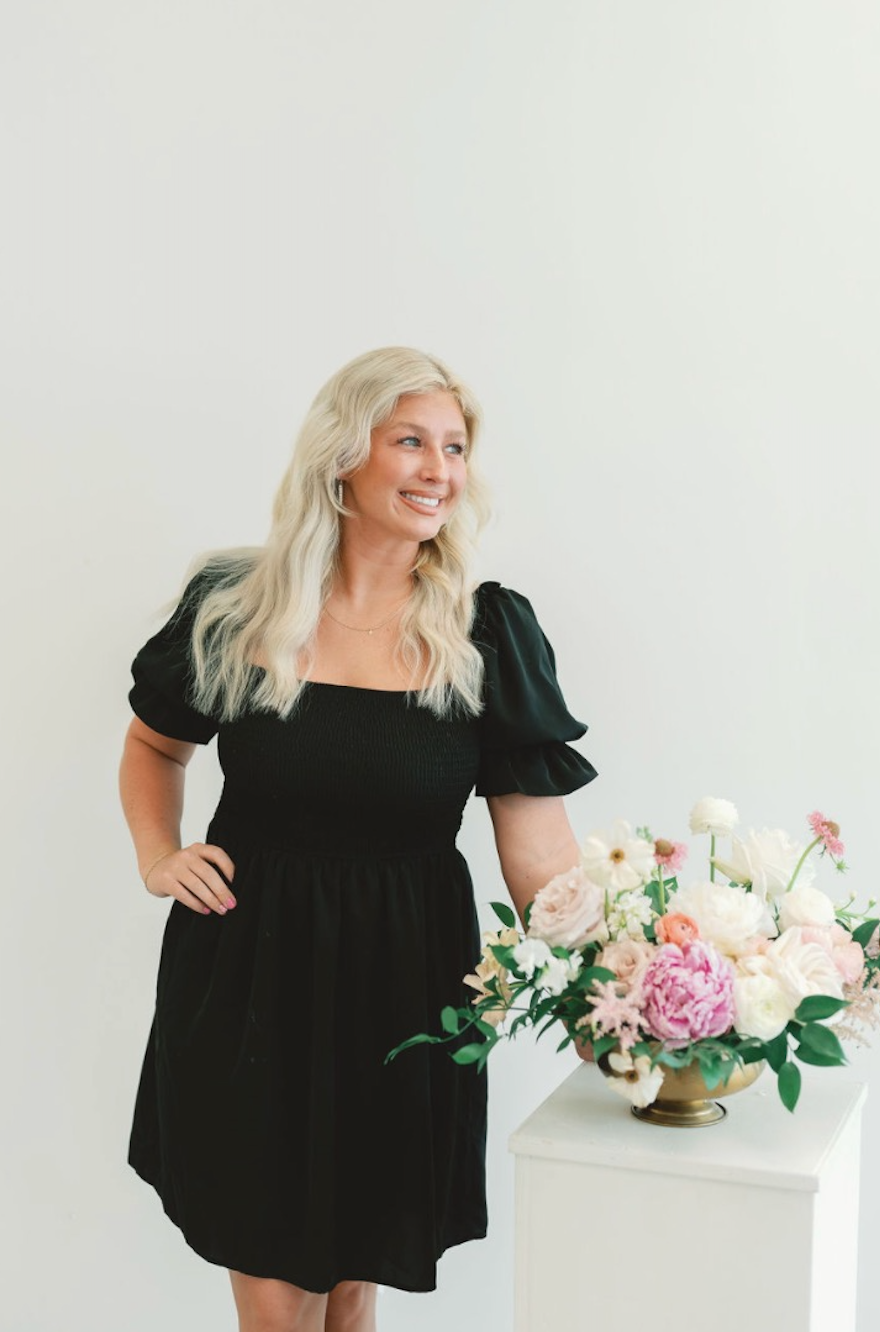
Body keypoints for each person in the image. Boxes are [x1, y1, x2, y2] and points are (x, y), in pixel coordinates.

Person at [119, 346, 597, 1332]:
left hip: (407, 987)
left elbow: (542, 854)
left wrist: (612, 998)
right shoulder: (236, 607)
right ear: (343, 454)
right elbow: (154, 744)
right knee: (276, 1299)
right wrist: (158, 853)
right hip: (249, 977)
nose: (439, 469)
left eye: (454, 447)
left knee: (348, 1293)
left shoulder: (486, 632)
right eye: (410, 441)